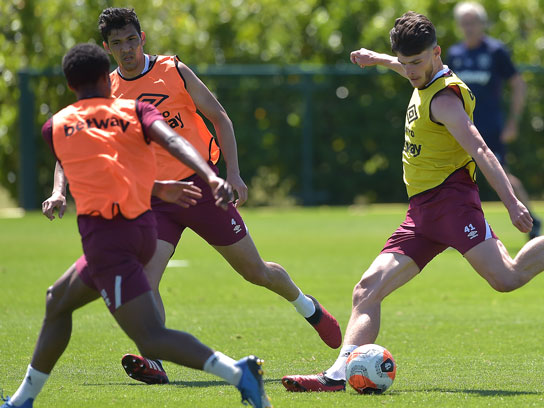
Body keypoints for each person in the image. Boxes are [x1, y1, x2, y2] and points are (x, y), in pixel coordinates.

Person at [280, 11, 544, 392]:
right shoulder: (420, 71)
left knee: (507, 277)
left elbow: (481, 149)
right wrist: (377, 59)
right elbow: (403, 63)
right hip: (421, 214)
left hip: (453, 206)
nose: (409, 71)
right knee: (366, 290)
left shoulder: (444, 99)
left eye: (416, 63)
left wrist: (511, 202)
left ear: (436, 53)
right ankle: (338, 375)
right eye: (405, 63)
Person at [41, 7, 341, 385]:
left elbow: (219, 116)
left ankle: (308, 307)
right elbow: (73, 143)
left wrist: (233, 173)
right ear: (106, 48)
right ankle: (154, 361)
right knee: (146, 280)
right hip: (155, 200)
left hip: (202, 189)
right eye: (117, 44)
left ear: (142, 37)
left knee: (255, 271)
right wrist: (57, 191)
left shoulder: (173, 70)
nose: (127, 49)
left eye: (131, 39)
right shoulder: (108, 91)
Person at [0, 43, 270, 408]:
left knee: (152, 338)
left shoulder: (59, 126)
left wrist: (62, 192)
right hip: (140, 229)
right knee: (57, 302)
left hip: (110, 241)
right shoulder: (134, 109)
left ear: (69, 84)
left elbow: (103, 170)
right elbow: (172, 140)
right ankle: (22, 401)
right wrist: (205, 175)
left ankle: (239, 374)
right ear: (103, 77)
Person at [446, 1, 542, 239]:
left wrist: (513, 122)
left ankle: (532, 218)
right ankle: (448, 227)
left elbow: (518, 84)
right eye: (464, 23)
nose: (468, 27)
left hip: (489, 126)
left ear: (482, 23)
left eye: (473, 22)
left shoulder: (495, 51)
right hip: (460, 127)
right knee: (450, 175)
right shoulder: (454, 54)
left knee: (501, 174)